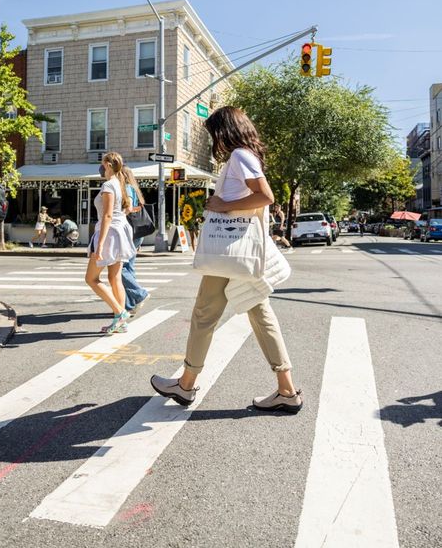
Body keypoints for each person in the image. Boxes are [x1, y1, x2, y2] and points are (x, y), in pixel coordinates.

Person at [151, 106, 302, 413]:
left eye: (214, 135)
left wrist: (220, 204)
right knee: (259, 313)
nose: (213, 142)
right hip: (238, 252)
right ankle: (286, 390)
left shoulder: (240, 156)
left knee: (205, 315)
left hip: (231, 251)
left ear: (226, 131)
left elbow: (266, 197)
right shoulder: (246, 156)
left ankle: (186, 384)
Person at [85, 152, 135, 334]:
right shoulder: (119, 184)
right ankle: (120, 321)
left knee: (91, 278)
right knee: (115, 278)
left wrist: (99, 245)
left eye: (101, 164)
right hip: (120, 232)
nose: (100, 167)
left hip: (110, 234)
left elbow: (107, 215)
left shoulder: (108, 185)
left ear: (107, 164)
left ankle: (120, 312)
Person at [121, 166, 150, 317]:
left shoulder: (126, 187)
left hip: (129, 233)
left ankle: (139, 294)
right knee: (129, 267)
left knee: (121, 268)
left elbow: (130, 208)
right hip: (138, 232)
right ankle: (130, 305)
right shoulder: (134, 188)